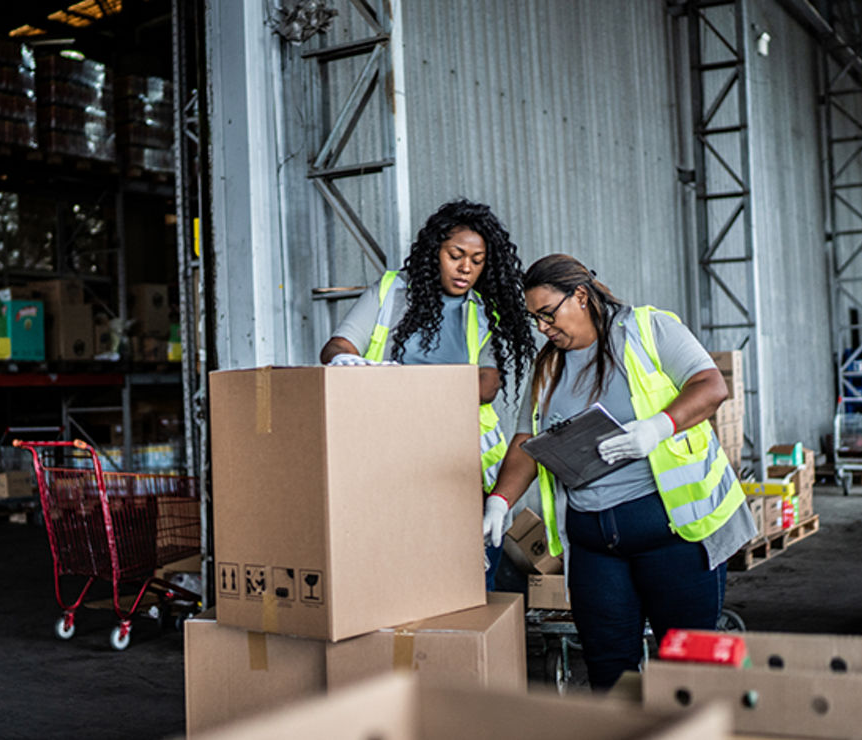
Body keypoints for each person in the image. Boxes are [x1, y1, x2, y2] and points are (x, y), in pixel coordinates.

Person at [481, 254, 756, 689]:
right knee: (609, 671)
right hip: (595, 548)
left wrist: (658, 426)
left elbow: (711, 386)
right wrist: (501, 499)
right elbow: (526, 442)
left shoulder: (650, 330)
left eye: (548, 314)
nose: (542, 328)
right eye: (535, 318)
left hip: (674, 539)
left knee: (688, 672)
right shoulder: (548, 366)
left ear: (582, 297)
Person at [321, 199, 537, 589]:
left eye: (477, 259)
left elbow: (487, 385)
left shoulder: (486, 310)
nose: (466, 268)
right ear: (434, 251)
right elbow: (338, 346)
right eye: (456, 255)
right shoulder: (391, 292)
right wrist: (346, 363)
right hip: (385, 458)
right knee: (395, 573)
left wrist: (406, 385)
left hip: (460, 462)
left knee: (466, 579)